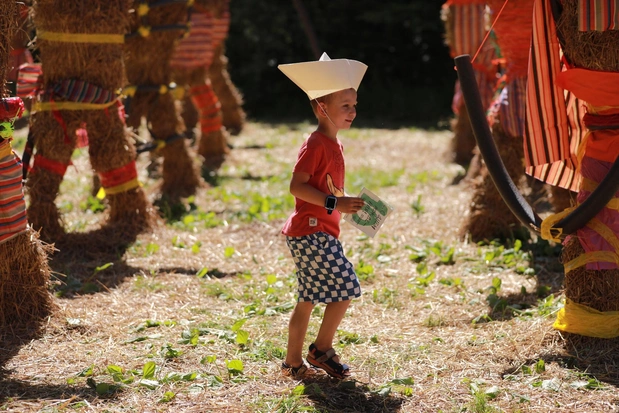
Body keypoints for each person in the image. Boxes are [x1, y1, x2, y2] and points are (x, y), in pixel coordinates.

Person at [277, 53, 367, 379]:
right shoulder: (315, 144)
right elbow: (297, 187)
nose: (353, 111)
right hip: (311, 231)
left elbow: (326, 187)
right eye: (345, 105)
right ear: (321, 108)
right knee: (346, 287)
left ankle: (292, 364)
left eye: (354, 104)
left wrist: (347, 203)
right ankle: (320, 351)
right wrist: (334, 204)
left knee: (308, 299)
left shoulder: (334, 145)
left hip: (318, 231)